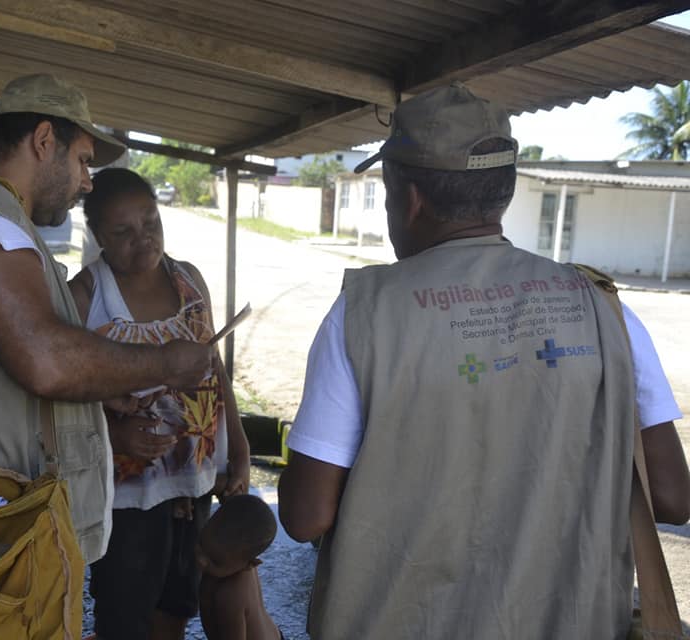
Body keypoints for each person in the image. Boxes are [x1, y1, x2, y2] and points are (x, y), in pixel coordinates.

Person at [278, 83, 690, 640]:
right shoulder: (603, 308)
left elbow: (305, 517)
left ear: (411, 199)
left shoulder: (363, 315)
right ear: (503, 194)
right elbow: (672, 496)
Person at [0, 73, 214, 568]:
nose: (87, 182)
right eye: (83, 161)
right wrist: (164, 361)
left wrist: (102, 386)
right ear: (44, 140)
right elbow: (47, 361)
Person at [67, 168, 251, 640]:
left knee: (177, 607)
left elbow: (215, 370)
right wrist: (115, 435)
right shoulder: (86, 297)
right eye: (122, 232)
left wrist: (239, 450)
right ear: (98, 236)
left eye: (150, 222)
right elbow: (60, 398)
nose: (142, 239)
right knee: (124, 615)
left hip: (193, 484)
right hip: (126, 497)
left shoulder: (189, 280)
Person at [196, 494, 283, 640]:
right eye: (201, 547)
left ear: (250, 564)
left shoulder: (230, 596)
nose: (201, 561)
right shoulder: (237, 556)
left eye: (215, 561)